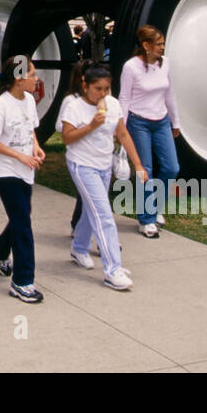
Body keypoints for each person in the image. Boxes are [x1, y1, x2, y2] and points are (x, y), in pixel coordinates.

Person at [58, 60, 148, 290]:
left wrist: (138, 165)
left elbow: (123, 134)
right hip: (82, 164)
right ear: (85, 84)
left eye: (106, 89)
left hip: (104, 164)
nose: (102, 94)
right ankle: (112, 270)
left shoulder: (113, 105)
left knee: (93, 210)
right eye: (97, 89)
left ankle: (79, 248)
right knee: (104, 215)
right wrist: (90, 126)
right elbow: (67, 138)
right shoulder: (74, 106)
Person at [0, 54, 45, 303]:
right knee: (23, 225)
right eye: (32, 75)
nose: (36, 80)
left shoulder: (28, 99)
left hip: (25, 167)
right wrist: (20, 156)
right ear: (19, 78)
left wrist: (35, 148)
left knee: (21, 217)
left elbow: (31, 129)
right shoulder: (1, 105)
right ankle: (22, 282)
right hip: (5, 170)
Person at [118, 24, 180, 239]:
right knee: (145, 170)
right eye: (159, 44)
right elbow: (124, 98)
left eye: (163, 43)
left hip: (161, 120)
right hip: (138, 122)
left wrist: (176, 122)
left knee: (171, 168)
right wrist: (121, 128)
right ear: (146, 45)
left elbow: (170, 94)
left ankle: (155, 207)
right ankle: (146, 220)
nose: (163, 47)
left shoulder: (166, 65)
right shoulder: (131, 67)